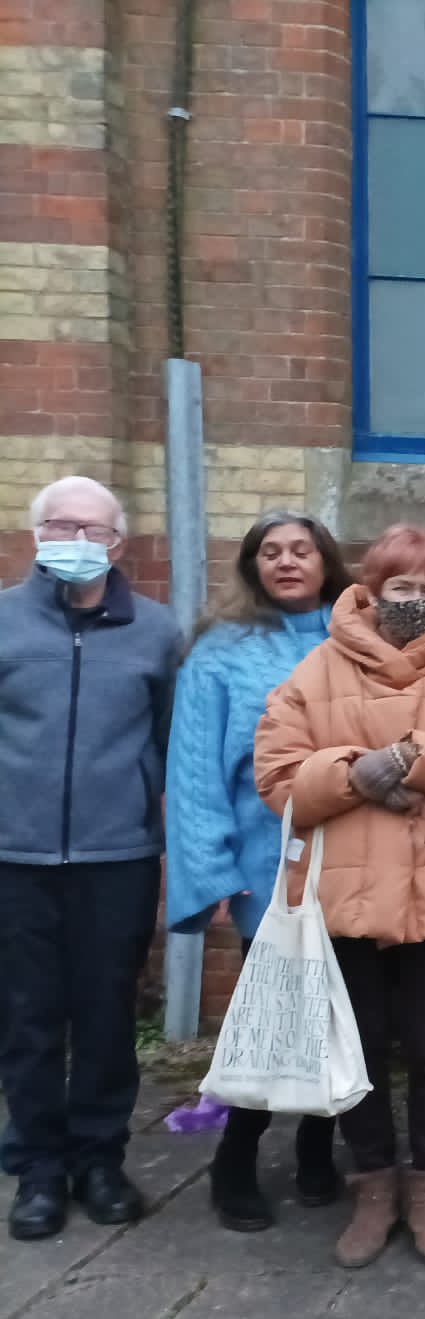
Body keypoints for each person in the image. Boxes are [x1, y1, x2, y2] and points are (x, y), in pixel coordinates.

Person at [256, 524, 425, 1269]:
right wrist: (353, 773)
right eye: (400, 587)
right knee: (361, 1048)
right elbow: (277, 776)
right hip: (350, 896)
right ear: (371, 591)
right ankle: (374, 1185)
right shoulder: (318, 669)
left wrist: (414, 755)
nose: (413, 601)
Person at [1, 477, 181, 1243]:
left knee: (108, 1016)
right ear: (35, 533)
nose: (78, 541)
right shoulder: (4, 621)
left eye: (94, 530)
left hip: (118, 856)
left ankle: (101, 1159)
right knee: (28, 1017)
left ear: (119, 543)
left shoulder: (157, 632)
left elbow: (170, 741)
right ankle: (38, 1167)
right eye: (62, 525)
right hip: (16, 857)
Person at [166, 510, 353, 1232]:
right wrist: (211, 870)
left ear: (325, 562)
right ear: (252, 567)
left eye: (301, 550)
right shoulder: (221, 652)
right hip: (263, 866)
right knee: (270, 1016)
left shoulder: (357, 637)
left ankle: (316, 1149)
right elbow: (194, 769)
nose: (286, 562)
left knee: (340, 1010)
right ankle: (234, 1161)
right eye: (270, 552)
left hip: (350, 860)